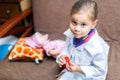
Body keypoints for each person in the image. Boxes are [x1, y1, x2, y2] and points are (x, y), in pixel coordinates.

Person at [56, 0, 109, 80]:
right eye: (74, 22)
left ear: (93, 24)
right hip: (73, 69)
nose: (77, 29)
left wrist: (79, 69)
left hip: (90, 74)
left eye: (83, 24)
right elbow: (67, 49)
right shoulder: (71, 34)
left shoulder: (98, 48)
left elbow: (100, 70)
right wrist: (62, 57)